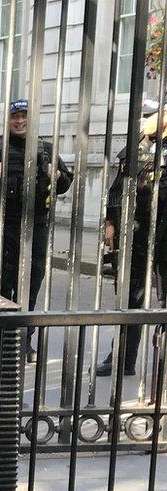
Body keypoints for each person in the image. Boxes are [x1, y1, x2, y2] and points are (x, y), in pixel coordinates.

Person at [0, 98, 73, 363]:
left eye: (24, 116)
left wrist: (57, 176)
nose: (20, 121)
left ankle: (25, 343)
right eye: (15, 116)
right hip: (3, 227)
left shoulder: (46, 150)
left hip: (36, 227)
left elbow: (65, 183)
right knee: (0, 286)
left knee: (31, 286)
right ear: (8, 119)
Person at [99, 100, 167, 376]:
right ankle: (122, 358)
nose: (143, 122)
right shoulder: (134, 150)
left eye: (149, 117)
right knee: (131, 298)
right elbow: (117, 189)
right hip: (137, 234)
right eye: (141, 118)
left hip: (164, 235)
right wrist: (110, 222)